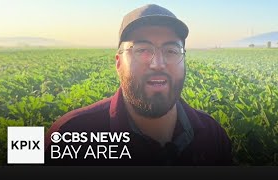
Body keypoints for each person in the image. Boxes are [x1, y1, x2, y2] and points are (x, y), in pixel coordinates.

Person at [44, 4, 233, 166]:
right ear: (118, 63)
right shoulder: (69, 135)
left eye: (171, 51)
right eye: (142, 50)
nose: (158, 63)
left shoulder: (213, 135)